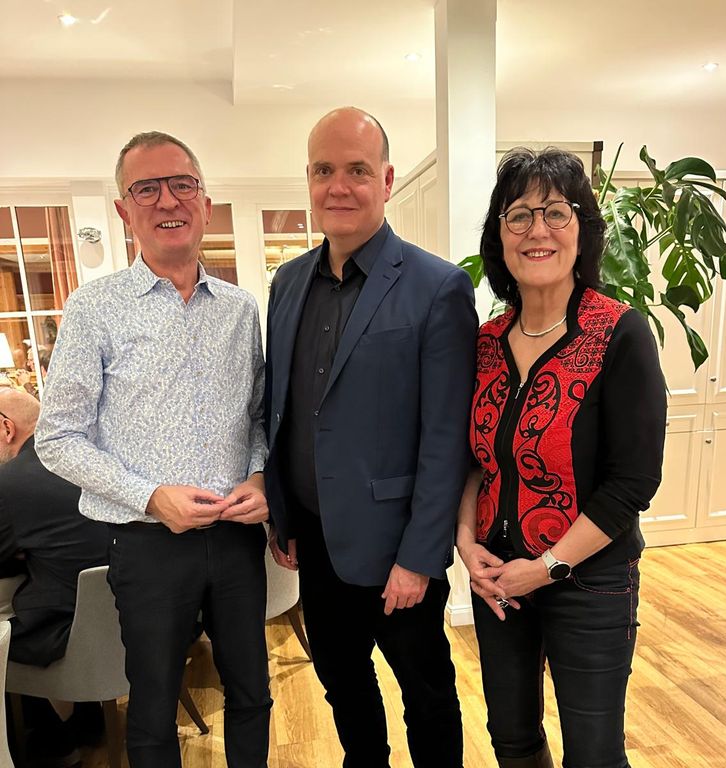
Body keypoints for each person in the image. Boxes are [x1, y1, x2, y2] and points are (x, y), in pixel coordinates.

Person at [35, 131, 272, 768]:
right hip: (146, 544)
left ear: (206, 202)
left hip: (236, 537)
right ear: (123, 210)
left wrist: (258, 475)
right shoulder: (95, 308)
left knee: (252, 693)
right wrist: (149, 496)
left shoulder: (241, 309)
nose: (168, 200)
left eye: (182, 184)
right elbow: (57, 437)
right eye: (147, 188)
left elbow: (255, 417)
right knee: (152, 707)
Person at [265, 107, 477, 768]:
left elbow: (446, 437)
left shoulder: (437, 286)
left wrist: (419, 558)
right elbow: (284, 410)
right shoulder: (287, 283)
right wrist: (282, 513)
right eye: (323, 170)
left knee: (427, 695)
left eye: (357, 170)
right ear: (308, 180)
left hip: (396, 550)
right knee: (342, 682)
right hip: (315, 540)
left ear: (385, 181)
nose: (338, 186)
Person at [456, 147, 666, 768]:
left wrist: (547, 567)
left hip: (590, 579)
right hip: (499, 576)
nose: (538, 230)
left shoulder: (619, 333)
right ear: (499, 236)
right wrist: (465, 541)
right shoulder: (487, 342)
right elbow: (477, 458)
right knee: (512, 738)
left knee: (594, 753)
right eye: (519, 215)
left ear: (582, 230)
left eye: (555, 212)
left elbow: (632, 483)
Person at [0, 388, 108, 767]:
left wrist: (20, 549)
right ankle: (88, 721)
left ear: (6, 428)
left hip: (70, 634)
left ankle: (51, 743)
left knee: (2, 637)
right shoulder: (88, 457)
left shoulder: (11, 482)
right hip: (130, 627)